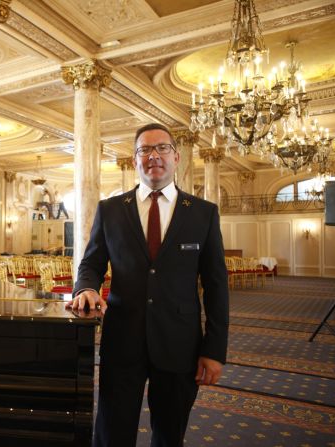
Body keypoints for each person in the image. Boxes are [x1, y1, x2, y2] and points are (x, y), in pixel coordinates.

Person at [66, 123, 229, 447]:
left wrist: (214, 350)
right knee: (112, 430)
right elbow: (91, 264)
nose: (153, 155)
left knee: (170, 435)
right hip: (122, 340)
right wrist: (85, 288)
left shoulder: (202, 213)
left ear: (176, 157)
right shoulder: (110, 210)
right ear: (135, 159)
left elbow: (215, 284)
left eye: (162, 148)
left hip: (180, 343)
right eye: (145, 150)